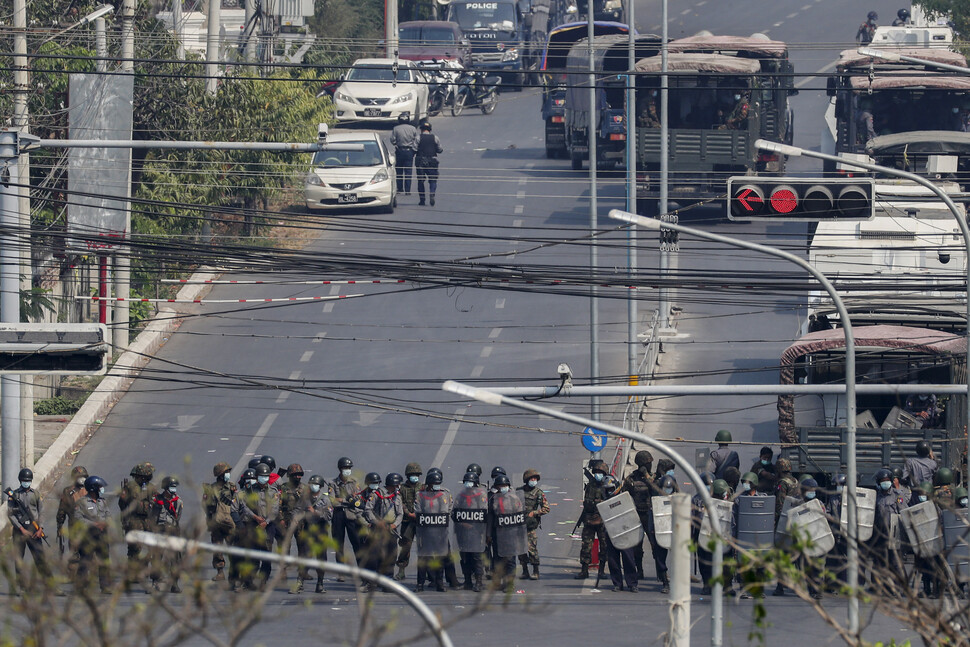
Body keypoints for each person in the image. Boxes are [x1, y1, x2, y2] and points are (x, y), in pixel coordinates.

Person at [7, 467, 54, 590]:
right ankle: (21, 586)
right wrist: (22, 529)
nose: (26, 482)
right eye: (24, 480)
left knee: (40, 558)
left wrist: (40, 528)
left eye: (28, 480)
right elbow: (11, 514)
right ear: (20, 480)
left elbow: (41, 512)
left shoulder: (36, 494)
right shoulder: (14, 495)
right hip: (19, 531)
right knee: (19, 559)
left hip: (34, 530)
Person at [238, 463, 281, 589]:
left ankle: (263, 581)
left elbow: (275, 509)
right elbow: (244, 506)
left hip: (268, 527)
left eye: (266, 476)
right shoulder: (249, 490)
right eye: (262, 476)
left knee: (266, 555)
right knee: (253, 555)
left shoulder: (273, 492)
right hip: (254, 525)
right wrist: (255, 518)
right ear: (257, 477)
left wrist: (265, 522)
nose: (264, 478)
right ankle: (249, 581)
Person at [619, 451, 657, 582]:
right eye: (647, 464)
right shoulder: (631, 479)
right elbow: (624, 496)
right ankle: (639, 570)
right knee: (636, 546)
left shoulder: (654, 478)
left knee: (655, 545)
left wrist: (647, 476)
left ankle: (660, 572)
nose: (650, 465)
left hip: (650, 514)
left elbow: (657, 490)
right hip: (636, 515)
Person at [362, 472, 404, 591]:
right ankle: (371, 582)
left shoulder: (397, 497)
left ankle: (387, 581)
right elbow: (368, 510)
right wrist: (377, 522)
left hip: (391, 531)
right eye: (397, 485)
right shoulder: (376, 495)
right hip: (378, 530)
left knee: (390, 556)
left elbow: (400, 514)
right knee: (374, 556)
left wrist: (395, 525)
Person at [119, 462, 157, 586]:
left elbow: (157, 503)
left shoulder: (151, 487)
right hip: (134, 520)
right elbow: (122, 504)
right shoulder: (129, 487)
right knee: (135, 548)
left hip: (148, 520)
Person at [868, 468, 907, 589]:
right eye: (882, 481)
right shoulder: (875, 497)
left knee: (896, 562)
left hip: (894, 533)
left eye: (887, 480)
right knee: (879, 561)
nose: (885, 483)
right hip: (879, 534)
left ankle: (900, 587)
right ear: (879, 483)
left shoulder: (897, 495)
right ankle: (878, 587)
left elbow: (904, 512)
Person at [414, 468, 452, 592]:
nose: (437, 486)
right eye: (435, 484)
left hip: (439, 531)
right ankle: (420, 584)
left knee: (439, 558)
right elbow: (418, 510)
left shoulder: (442, 495)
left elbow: (444, 511)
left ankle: (440, 583)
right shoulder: (420, 495)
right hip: (424, 532)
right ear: (429, 484)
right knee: (423, 559)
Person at [73, 475, 111, 594]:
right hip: (88, 536)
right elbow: (78, 518)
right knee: (85, 561)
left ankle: (105, 586)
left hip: (102, 536)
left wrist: (105, 523)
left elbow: (108, 515)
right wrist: (94, 524)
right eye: (99, 487)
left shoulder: (103, 501)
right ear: (93, 488)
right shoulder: (82, 502)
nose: (101, 489)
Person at [489, 473, 526, 592]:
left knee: (510, 560)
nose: (502, 488)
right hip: (497, 534)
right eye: (500, 486)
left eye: (504, 485)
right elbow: (490, 518)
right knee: (498, 560)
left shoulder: (515, 498)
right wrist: (488, 534)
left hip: (511, 533)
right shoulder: (493, 499)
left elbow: (520, 516)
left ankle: (509, 584)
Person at [575, 459, 611, 580]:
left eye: (600, 472)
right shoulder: (590, 485)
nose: (597, 474)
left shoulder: (608, 486)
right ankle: (584, 570)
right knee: (586, 546)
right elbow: (587, 502)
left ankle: (601, 570)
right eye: (596, 472)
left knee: (604, 546)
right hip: (589, 520)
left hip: (602, 521)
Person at [453, 471, 488, 592]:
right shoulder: (460, 496)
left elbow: (484, 513)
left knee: (476, 557)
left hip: (476, 531)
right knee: (465, 558)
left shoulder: (481, 496)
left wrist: (473, 524)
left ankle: (478, 581)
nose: (469, 485)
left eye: (471, 483)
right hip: (462, 531)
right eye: (467, 482)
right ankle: (467, 581)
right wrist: (463, 523)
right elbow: (454, 513)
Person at [203, 462, 236, 583]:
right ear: (220, 475)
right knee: (217, 549)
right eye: (226, 472)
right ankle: (220, 572)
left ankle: (233, 573)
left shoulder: (232, 487)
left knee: (232, 548)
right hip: (216, 524)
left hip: (229, 523)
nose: (228, 474)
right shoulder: (210, 489)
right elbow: (205, 506)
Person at [149, 476, 183, 593]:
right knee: (157, 558)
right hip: (160, 532)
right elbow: (152, 517)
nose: (174, 489)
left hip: (173, 532)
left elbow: (177, 518)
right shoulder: (157, 501)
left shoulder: (178, 502)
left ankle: (174, 583)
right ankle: (155, 583)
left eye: (175, 487)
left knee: (175, 559)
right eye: (171, 487)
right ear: (166, 488)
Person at [279, 464, 310, 591]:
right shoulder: (284, 488)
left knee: (303, 549)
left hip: (301, 522)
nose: (297, 477)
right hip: (287, 522)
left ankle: (301, 574)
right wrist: (281, 519)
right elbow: (278, 505)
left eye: (299, 475)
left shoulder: (305, 489)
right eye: (295, 475)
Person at [329, 456, 361, 575]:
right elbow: (332, 500)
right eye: (345, 468)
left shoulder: (354, 482)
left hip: (352, 514)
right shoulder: (332, 483)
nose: (347, 470)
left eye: (349, 468)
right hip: (338, 514)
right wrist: (346, 499)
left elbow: (358, 499)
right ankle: (341, 571)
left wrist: (343, 500)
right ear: (340, 469)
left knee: (356, 542)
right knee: (338, 543)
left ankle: (361, 569)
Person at [517, 468, 550, 580]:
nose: (534, 480)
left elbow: (546, 508)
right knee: (520, 550)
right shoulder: (519, 491)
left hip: (530, 526)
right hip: (519, 525)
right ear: (527, 480)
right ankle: (525, 570)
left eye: (535, 479)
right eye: (532, 478)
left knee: (532, 549)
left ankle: (536, 571)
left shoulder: (539, 493)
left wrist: (535, 513)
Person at [303, 473, 334, 593]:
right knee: (305, 556)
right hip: (308, 530)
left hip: (321, 531)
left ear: (320, 486)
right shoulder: (305, 499)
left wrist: (315, 512)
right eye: (312, 484)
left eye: (316, 484)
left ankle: (320, 583)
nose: (313, 486)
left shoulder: (325, 499)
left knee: (321, 558)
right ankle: (300, 581)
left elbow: (329, 515)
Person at [56, 465, 88, 571]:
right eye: (79, 477)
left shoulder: (90, 489)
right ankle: (75, 574)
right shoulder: (68, 492)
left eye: (83, 477)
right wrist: (60, 525)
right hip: (74, 526)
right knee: (74, 552)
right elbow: (62, 510)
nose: (81, 479)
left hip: (88, 526)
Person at [396, 462, 423, 580]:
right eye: (412, 474)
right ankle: (401, 570)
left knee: (424, 546)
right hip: (407, 521)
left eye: (416, 474)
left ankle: (426, 573)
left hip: (421, 521)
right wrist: (409, 513)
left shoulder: (423, 487)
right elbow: (399, 503)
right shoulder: (401, 488)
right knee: (405, 546)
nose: (414, 476)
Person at [390, 113, 419, 195]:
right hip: (409, 151)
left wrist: (397, 144)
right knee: (408, 171)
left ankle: (400, 188)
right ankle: (408, 190)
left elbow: (392, 140)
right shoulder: (413, 128)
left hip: (399, 150)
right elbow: (416, 140)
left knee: (399, 170)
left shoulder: (396, 128)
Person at [415, 121, 442, 206]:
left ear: (421, 129)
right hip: (432, 162)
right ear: (430, 130)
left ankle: (422, 200)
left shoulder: (418, 138)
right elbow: (440, 150)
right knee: (433, 179)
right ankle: (432, 193)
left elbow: (414, 149)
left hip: (421, 162)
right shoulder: (435, 138)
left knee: (421, 181)